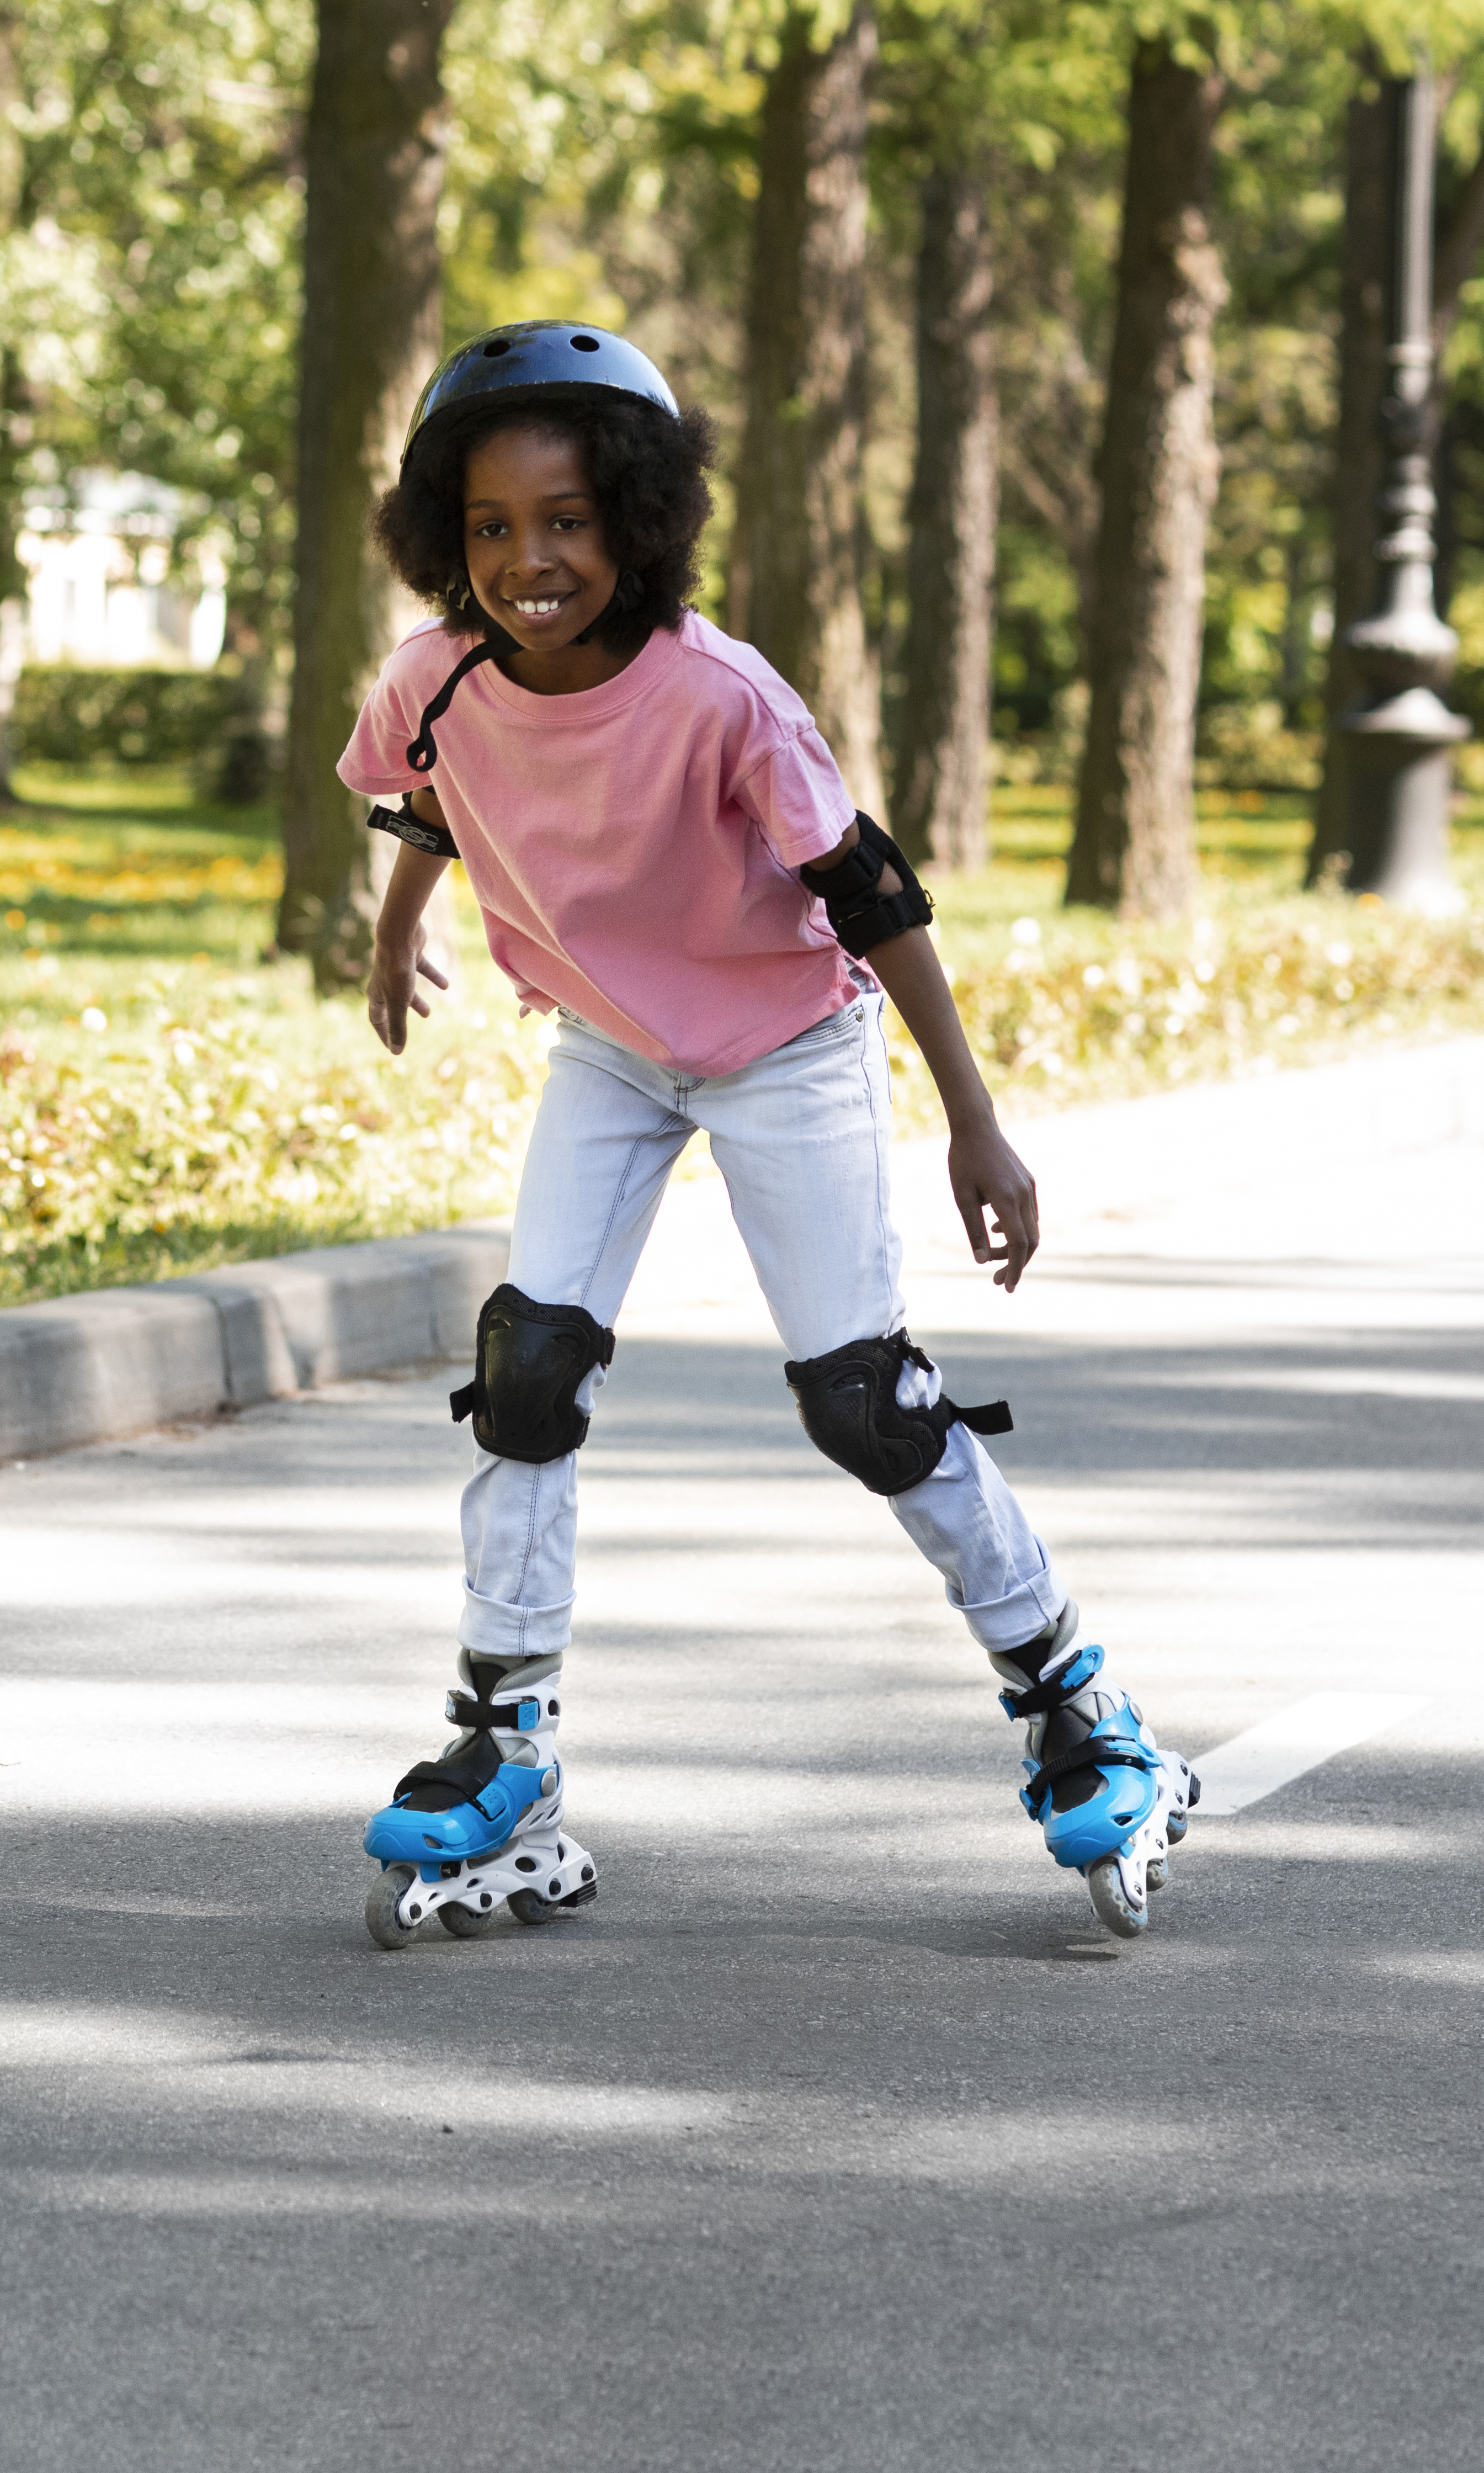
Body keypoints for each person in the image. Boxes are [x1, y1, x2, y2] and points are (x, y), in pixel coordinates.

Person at [336, 322, 1195, 1948]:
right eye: (493, 526)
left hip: (788, 1043)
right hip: (612, 1045)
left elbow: (872, 895)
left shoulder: (721, 695)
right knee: (528, 1371)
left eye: (570, 520)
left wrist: (976, 1125)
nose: (530, 561)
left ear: (641, 516)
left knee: (863, 1399)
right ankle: (506, 1749)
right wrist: (398, 931)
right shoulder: (433, 672)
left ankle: (1082, 1707)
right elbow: (436, 790)